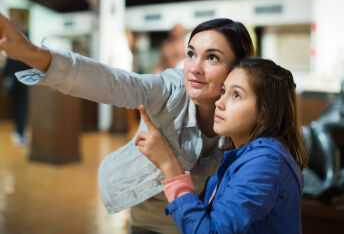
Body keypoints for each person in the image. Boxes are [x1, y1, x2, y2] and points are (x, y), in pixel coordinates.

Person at [0, 14, 254, 233]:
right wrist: (31, 53)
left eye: (212, 58)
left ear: (238, 69)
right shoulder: (170, 89)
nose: (194, 68)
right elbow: (115, 82)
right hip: (152, 220)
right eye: (191, 54)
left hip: (203, 222)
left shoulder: (249, 118)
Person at [136, 57, 309, 234]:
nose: (219, 103)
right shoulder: (244, 154)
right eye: (223, 91)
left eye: (236, 95)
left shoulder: (265, 164)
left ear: (264, 112)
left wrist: (169, 165)